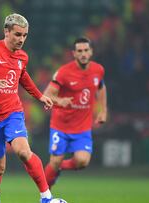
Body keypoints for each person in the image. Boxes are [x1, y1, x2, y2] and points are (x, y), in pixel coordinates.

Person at [0, 13, 58, 203]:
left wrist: (40, 96)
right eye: (17, 34)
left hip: (12, 112)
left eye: (24, 35)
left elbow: (22, 77)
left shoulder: (22, 56)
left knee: (24, 151)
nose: (21, 39)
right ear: (6, 32)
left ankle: (46, 197)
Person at [43, 37, 108, 188]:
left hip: (82, 127)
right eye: (80, 51)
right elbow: (47, 95)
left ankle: (57, 169)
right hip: (61, 125)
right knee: (55, 160)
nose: (83, 54)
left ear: (91, 52)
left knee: (82, 161)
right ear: (74, 53)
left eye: (86, 50)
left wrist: (103, 110)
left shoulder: (98, 70)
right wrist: (60, 101)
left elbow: (101, 87)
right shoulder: (64, 73)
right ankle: (44, 195)